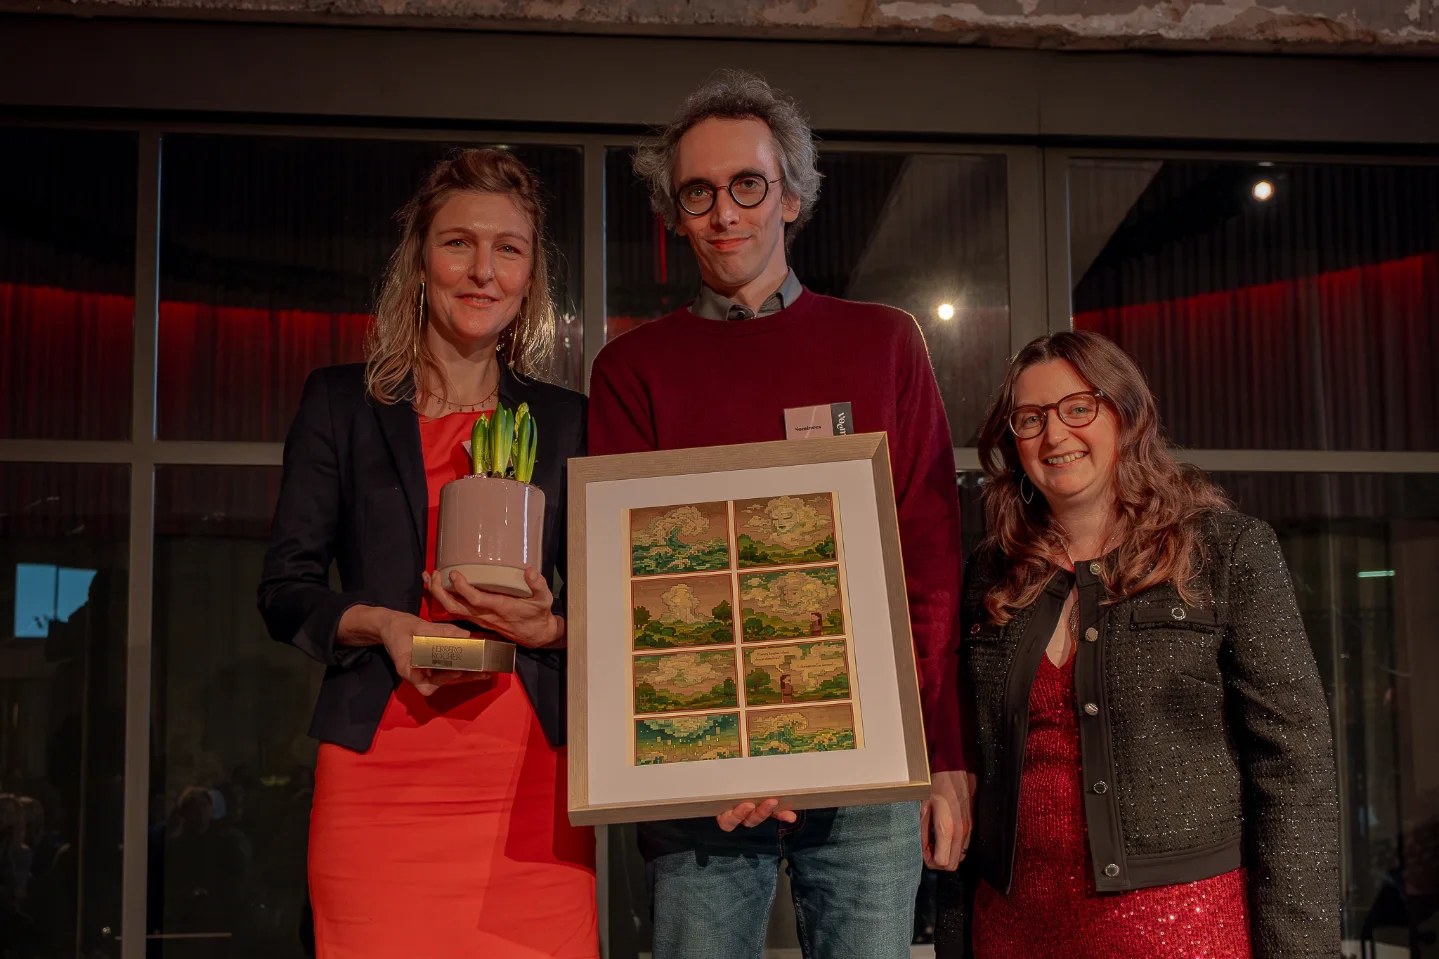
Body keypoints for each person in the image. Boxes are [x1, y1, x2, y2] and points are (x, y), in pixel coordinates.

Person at [588, 70, 973, 958]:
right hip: (699, 786)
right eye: (698, 192)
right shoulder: (631, 369)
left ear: (791, 195)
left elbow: (928, 565)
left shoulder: (882, 342)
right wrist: (729, 756)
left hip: (869, 776)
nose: (724, 212)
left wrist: (934, 751)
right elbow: (629, 588)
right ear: (674, 215)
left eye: (747, 185)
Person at [258, 148, 595, 958]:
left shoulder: (570, 419)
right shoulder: (340, 402)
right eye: (458, 244)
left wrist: (552, 628)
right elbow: (285, 588)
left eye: (507, 249)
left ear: (528, 275)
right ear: (419, 259)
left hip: (527, 776)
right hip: (380, 772)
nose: (482, 270)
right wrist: (383, 625)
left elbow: (608, 610)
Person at [935, 330, 1339, 959]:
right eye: (1030, 418)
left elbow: (1295, 769)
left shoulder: (1225, 552)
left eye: (1078, 408)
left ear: (1126, 413)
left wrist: (1300, 949)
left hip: (1182, 926)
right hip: (1013, 927)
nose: (1055, 435)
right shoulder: (992, 572)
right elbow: (971, 760)